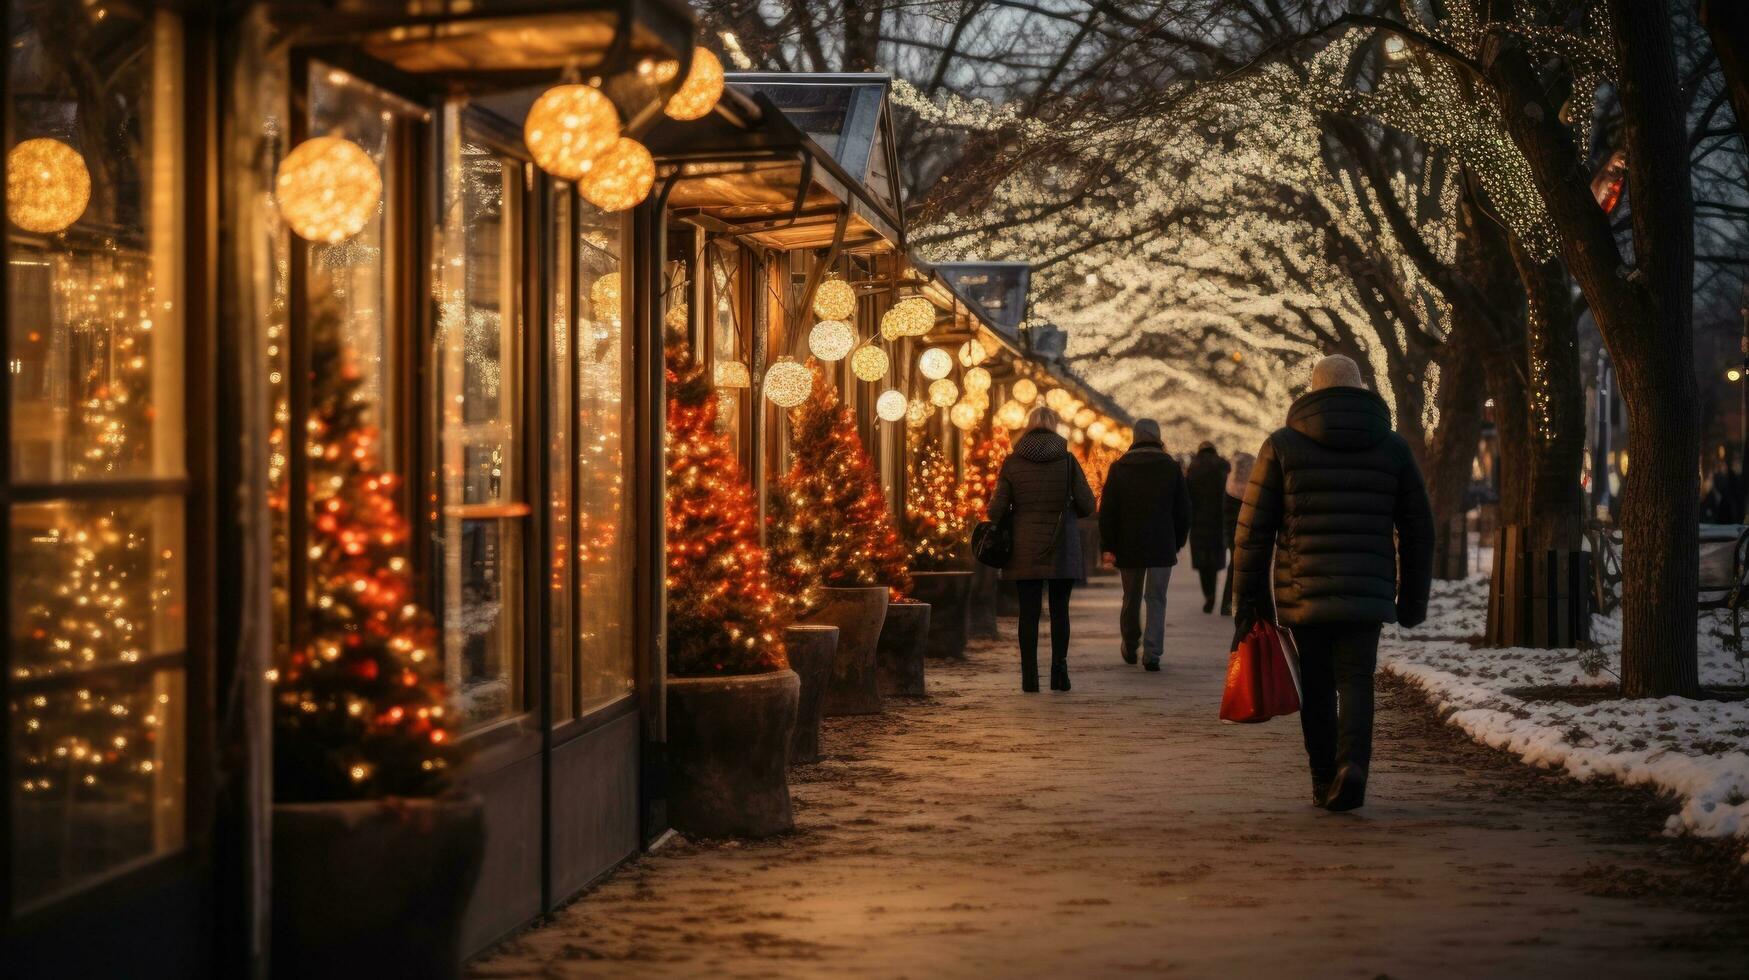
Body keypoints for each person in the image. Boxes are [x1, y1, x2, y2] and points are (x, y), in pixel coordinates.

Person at [1231, 354, 1434, 812]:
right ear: (1361, 389)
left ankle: (1324, 776)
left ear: (1312, 391)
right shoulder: (1393, 447)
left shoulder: (1282, 445)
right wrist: (1412, 599)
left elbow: (1252, 531)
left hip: (1303, 591)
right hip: (1369, 590)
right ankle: (1354, 767)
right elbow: (1419, 527)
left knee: (1317, 683)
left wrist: (1249, 602)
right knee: (1357, 680)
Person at [988, 405, 1097, 692]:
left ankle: (1029, 677)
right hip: (1061, 544)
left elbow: (996, 508)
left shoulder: (1012, 462)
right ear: (1055, 426)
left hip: (1024, 545)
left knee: (1029, 611)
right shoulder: (1069, 461)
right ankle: (1060, 673)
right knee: (1060, 610)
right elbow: (1088, 505)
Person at [1098, 418, 1191, 672]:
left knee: (1131, 596)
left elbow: (1108, 511)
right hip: (1162, 542)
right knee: (1157, 597)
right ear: (1158, 437)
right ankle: (1152, 653)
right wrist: (1178, 540)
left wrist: (1109, 543)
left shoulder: (1120, 467)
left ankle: (1130, 643)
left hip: (1129, 543)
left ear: (1134, 437)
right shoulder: (1171, 468)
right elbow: (1183, 509)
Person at [1185, 441, 1230, 614]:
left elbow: (1187, 497)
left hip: (1198, 523)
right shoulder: (1223, 467)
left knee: (1203, 564)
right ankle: (1217, 595)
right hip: (1219, 522)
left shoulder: (1194, 468)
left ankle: (1209, 595)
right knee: (1216, 560)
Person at [1218, 451, 1256, 616]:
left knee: (1233, 567)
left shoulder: (1229, 489)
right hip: (1248, 534)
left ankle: (1228, 602)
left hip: (1233, 533)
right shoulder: (1252, 491)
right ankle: (1242, 603)